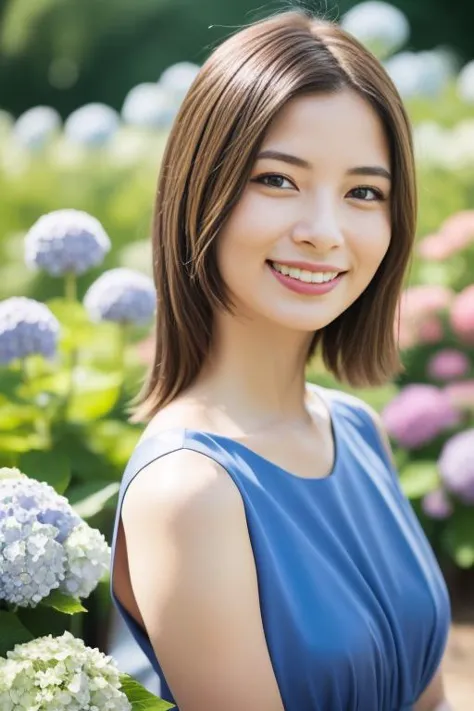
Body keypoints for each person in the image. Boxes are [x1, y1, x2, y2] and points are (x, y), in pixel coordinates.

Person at [109, 10, 452, 711]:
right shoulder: (191, 491)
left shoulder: (356, 430)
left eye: (364, 192)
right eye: (278, 180)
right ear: (203, 187)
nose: (324, 232)